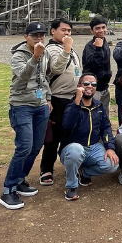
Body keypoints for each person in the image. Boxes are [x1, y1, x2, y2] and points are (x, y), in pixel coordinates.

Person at [0, 22, 52, 210]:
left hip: (40, 105)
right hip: (21, 105)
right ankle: (8, 189)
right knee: (24, 146)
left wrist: (48, 98)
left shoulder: (45, 52)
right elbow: (23, 76)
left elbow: (44, 77)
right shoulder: (18, 55)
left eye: (41, 35)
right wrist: (35, 57)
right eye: (34, 35)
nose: (39, 38)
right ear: (26, 37)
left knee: (36, 146)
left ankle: (20, 179)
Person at [59, 73, 119, 201]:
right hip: (72, 149)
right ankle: (71, 186)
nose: (90, 86)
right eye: (86, 83)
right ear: (79, 86)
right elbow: (67, 126)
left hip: (93, 147)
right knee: (76, 150)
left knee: (112, 165)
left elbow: (106, 128)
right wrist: (77, 102)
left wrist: (110, 147)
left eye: (93, 84)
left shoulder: (99, 106)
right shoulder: (71, 106)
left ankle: (83, 172)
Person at [39, 17, 81, 187]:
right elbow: (57, 68)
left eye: (69, 31)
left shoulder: (69, 49)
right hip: (57, 98)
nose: (67, 33)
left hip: (72, 98)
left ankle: (70, 164)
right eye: (63, 30)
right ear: (53, 31)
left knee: (71, 133)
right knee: (53, 136)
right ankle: (46, 168)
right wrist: (67, 47)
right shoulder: (50, 49)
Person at [82, 16, 112, 112]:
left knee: (104, 114)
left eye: (103, 27)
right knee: (92, 114)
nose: (101, 30)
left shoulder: (105, 43)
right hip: (93, 88)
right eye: (97, 28)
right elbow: (93, 66)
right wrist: (98, 49)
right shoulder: (90, 46)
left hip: (105, 86)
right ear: (92, 31)